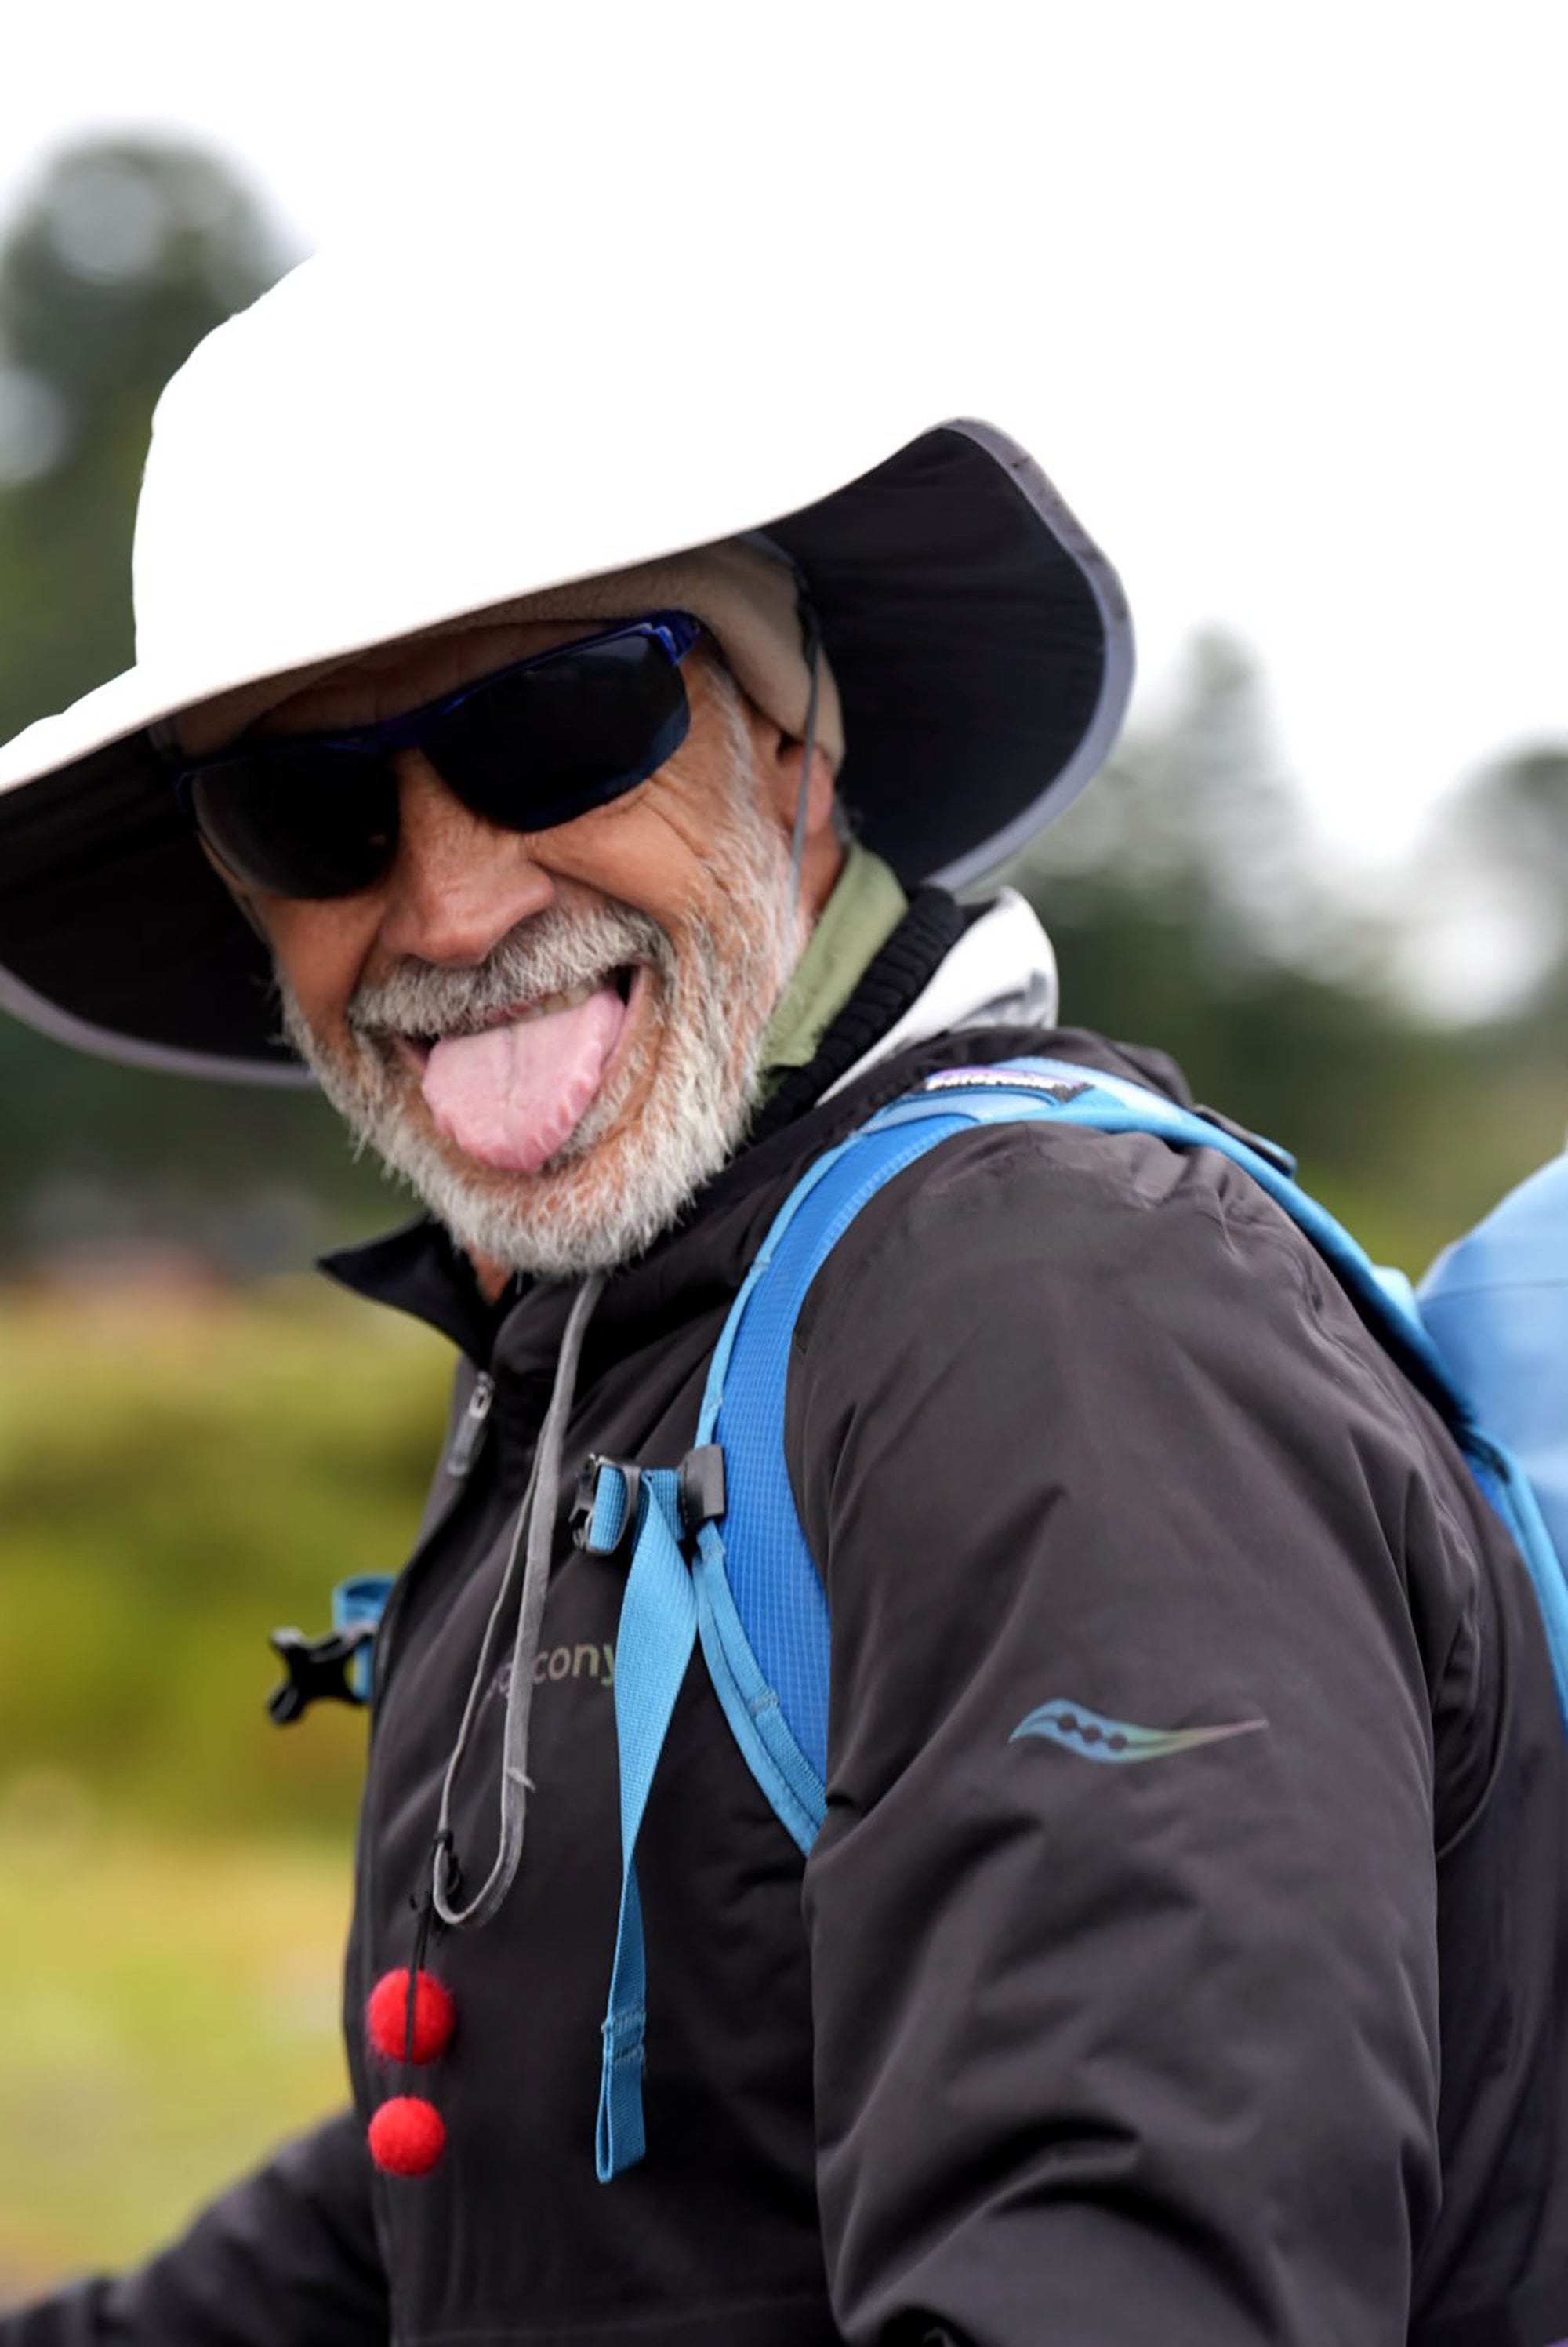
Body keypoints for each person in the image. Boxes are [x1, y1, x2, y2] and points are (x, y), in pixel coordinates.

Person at [1, 236, 1565, 2347]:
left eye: (566, 719)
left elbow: (1129, 2259)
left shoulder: (1048, 1319)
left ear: (800, 745)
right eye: (308, 801)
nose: (454, 901)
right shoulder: (630, 1339)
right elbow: (538, 2146)